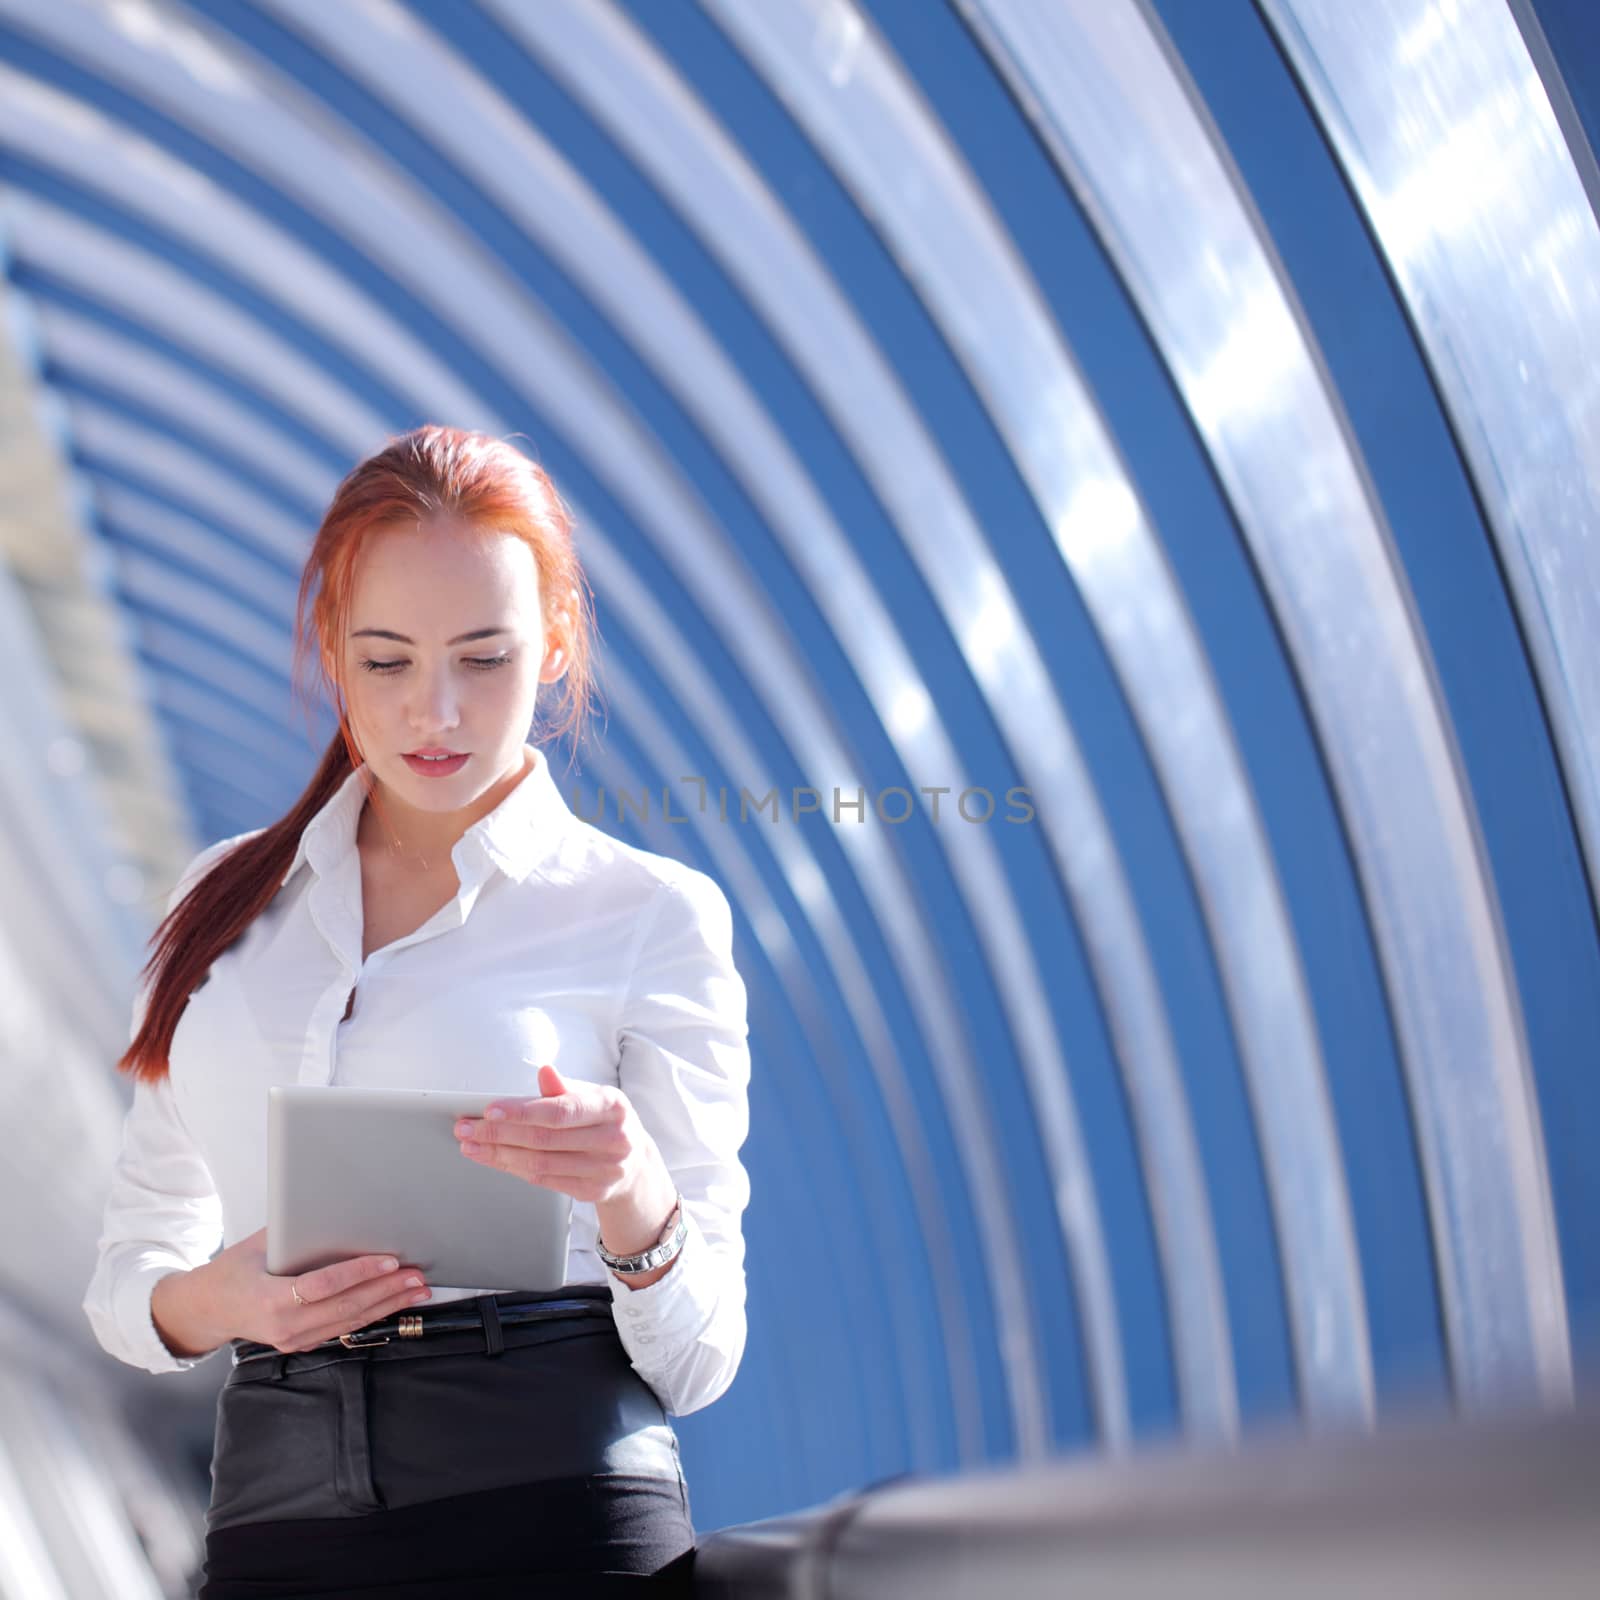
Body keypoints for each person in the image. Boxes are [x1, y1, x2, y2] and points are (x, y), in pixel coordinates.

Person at [82, 425, 753, 1597]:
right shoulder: (224, 902)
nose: (432, 712)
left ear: (553, 646)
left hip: (552, 1490)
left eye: (482, 658)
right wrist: (209, 1301)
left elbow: (699, 1360)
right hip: (278, 1507)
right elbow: (132, 1263)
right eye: (387, 661)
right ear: (332, 655)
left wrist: (634, 1191)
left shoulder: (651, 915)